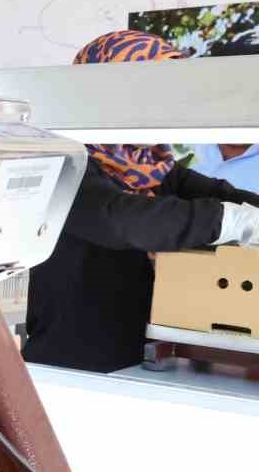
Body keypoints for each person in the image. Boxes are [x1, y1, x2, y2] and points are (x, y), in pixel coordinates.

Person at [24, 30, 259, 373]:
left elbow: (218, 192)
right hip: (72, 362)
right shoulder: (63, 162)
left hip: (142, 358)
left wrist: (247, 208)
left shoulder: (148, 166)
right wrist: (233, 221)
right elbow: (121, 219)